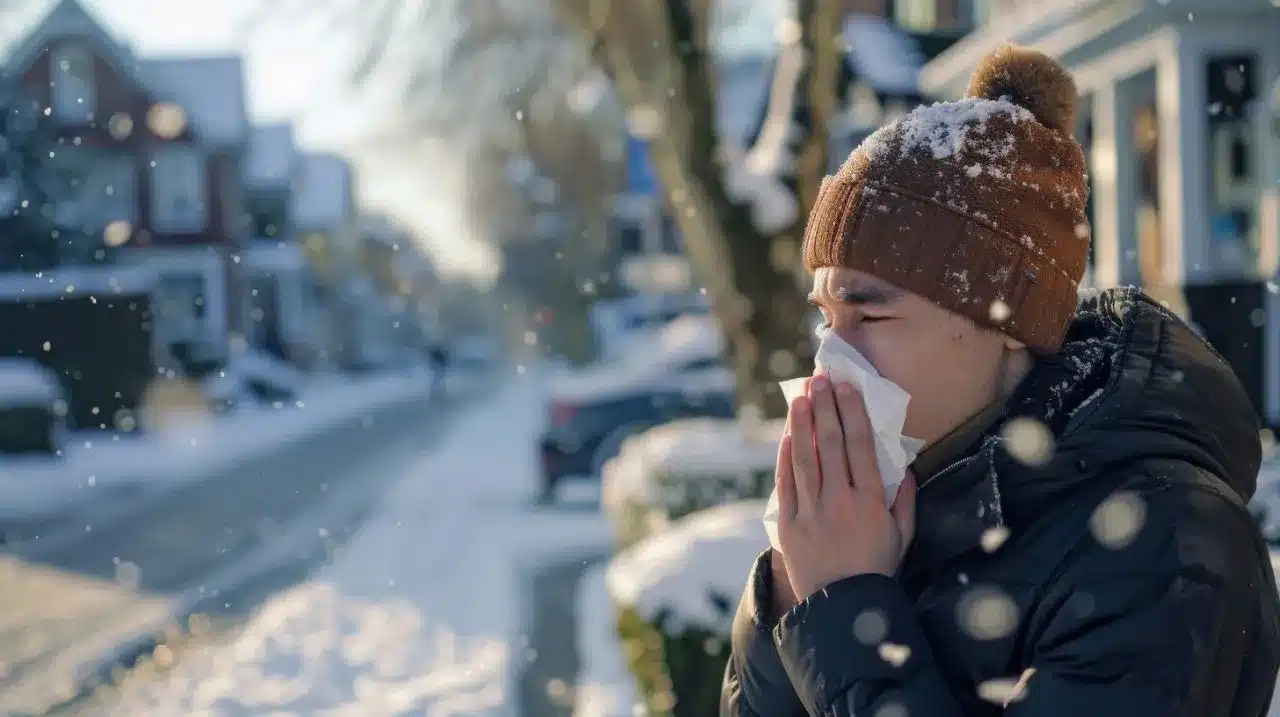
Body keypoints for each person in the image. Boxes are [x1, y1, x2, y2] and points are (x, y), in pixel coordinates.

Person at [721, 45, 1280, 716]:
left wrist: (844, 608)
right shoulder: (894, 501)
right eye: (826, 316)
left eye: (869, 312)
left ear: (1007, 320)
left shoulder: (1164, 541)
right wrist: (792, 587)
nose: (831, 357)